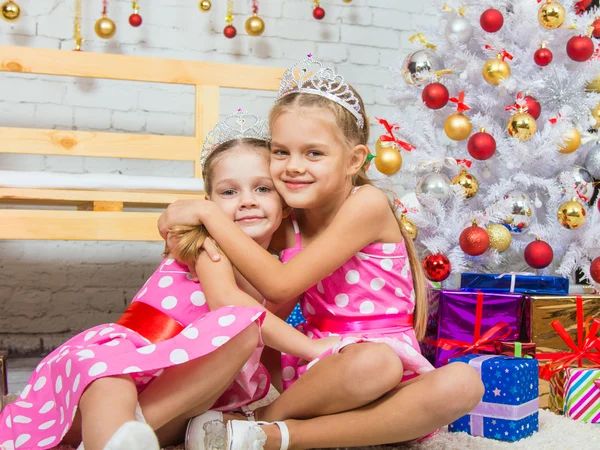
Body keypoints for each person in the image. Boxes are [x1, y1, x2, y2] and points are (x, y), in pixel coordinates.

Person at [161, 56, 485, 450]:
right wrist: (192, 221)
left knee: (461, 383)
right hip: (320, 370)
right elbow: (234, 269)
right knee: (371, 364)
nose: (293, 167)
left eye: (313, 153)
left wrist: (208, 214)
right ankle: (273, 425)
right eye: (281, 152)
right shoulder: (290, 219)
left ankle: (268, 431)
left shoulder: (367, 204)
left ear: (353, 160)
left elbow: (281, 283)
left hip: (388, 362)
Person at [0, 110, 331, 450]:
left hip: (179, 392)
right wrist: (310, 346)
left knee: (219, 380)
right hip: (130, 362)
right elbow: (228, 304)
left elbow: (267, 334)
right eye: (229, 193)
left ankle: (122, 438)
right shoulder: (207, 246)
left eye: (262, 189)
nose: (247, 201)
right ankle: (116, 435)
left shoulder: (276, 269)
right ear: (208, 205)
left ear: (285, 204)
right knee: (110, 381)